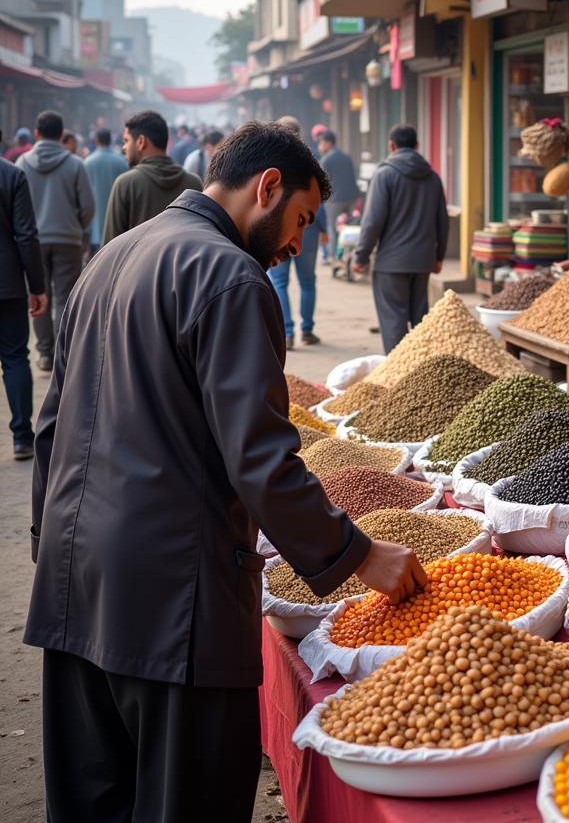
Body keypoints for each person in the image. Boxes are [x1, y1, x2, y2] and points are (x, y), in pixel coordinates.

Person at [25, 120, 427, 823]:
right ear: (266, 187)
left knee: (96, 799)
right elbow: (262, 458)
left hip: (74, 581)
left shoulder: (112, 256)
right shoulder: (230, 275)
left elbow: (53, 424)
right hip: (171, 599)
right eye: (300, 218)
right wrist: (360, 555)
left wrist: (50, 549)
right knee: (189, 800)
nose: (299, 242)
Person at [353, 124, 449, 353]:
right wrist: (439, 256)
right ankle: (422, 370)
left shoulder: (384, 175)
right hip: (423, 261)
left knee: (393, 320)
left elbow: (372, 221)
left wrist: (361, 256)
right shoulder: (433, 178)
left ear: (391, 145)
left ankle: (399, 379)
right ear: (417, 146)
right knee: (420, 318)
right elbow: (442, 222)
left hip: (391, 262)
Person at [16, 111, 94, 372]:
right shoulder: (75, 164)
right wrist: (75, 227)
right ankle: (63, 354)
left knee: (38, 296)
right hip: (67, 240)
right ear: (62, 135)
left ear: (36, 133)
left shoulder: (22, 164)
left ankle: (45, 353)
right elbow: (88, 206)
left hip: (32, 241)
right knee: (64, 297)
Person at [0, 157, 47, 459]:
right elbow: (26, 235)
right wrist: (37, 286)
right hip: (8, 284)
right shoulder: (12, 175)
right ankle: (21, 437)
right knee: (16, 357)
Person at [103, 110, 202, 244]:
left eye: (126, 140)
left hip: (136, 265)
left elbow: (110, 246)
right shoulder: (194, 183)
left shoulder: (126, 183)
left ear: (141, 142)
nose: (123, 148)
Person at [268, 202, 329, 348]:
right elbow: (317, 204)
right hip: (307, 233)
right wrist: (324, 229)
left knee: (279, 283)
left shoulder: (269, 180)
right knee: (307, 283)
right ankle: (307, 331)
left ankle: (287, 334)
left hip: (279, 232)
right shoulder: (307, 179)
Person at [83, 128, 127, 256]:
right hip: (116, 227)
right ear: (110, 140)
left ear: (96, 141)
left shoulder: (88, 162)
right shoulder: (121, 162)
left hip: (94, 225)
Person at [318, 128, 358, 262]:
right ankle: (352, 255)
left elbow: (321, 181)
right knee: (351, 227)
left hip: (334, 200)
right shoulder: (346, 157)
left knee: (332, 228)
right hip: (351, 198)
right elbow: (353, 176)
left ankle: (335, 257)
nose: (320, 146)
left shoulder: (326, 159)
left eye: (321, 143)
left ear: (328, 143)